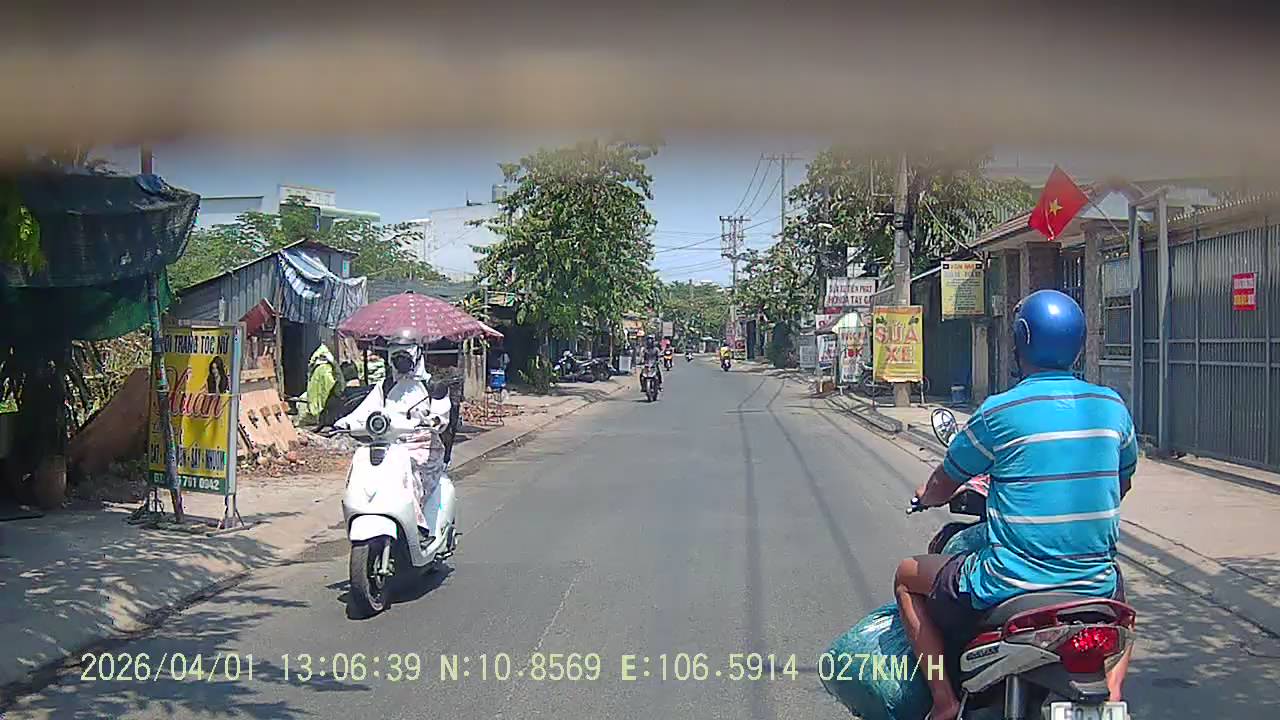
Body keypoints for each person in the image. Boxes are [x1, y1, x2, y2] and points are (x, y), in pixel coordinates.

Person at [892, 290, 1137, 720]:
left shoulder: (999, 411)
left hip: (1007, 583)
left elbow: (945, 482)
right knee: (1122, 609)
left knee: (906, 576)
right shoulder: (1111, 406)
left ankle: (945, 702)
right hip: (1093, 585)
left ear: (1021, 339)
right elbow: (1122, 481)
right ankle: (1112, 694)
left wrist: (925, 497)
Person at [334, 342, 451, 539]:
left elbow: (441, 412)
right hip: (388, 444)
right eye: (396, 354)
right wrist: (344, 423)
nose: (400, 360)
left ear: (417, 354)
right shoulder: (386, 385)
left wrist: (434, 420)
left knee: (410, 477)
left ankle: (418, 528)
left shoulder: (432, 385)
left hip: (422, 446)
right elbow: (365, 411)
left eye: (405, 354)